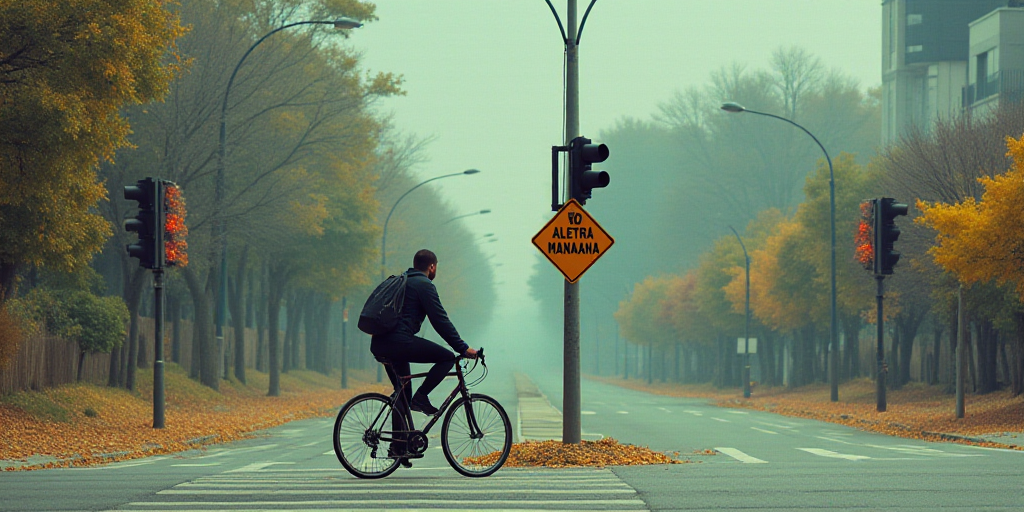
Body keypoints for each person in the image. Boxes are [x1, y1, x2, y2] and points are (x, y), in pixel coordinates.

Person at [370, 249, 478, 466]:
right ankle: (421, 397)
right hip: (399, 342)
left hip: (381, 343)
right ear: (432, 267)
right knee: (447, 358)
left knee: (402, 392)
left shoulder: (403, 280)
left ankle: (399, 447)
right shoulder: (424, 285)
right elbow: (440, 320)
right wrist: (462, 348)